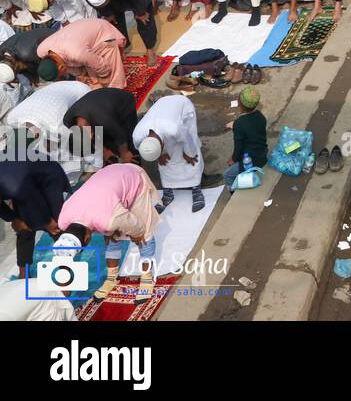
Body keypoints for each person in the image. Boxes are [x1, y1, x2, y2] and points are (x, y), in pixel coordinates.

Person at [56, 162, 161, 303]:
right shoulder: (62, 220)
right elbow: (64, 252)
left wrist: (136, 233)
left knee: (144, 234)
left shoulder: (107, 219)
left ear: (87, 238)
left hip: (131, 177)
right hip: (108, 176)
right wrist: (64, 283)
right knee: (112, 236)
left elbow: (136, 225)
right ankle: (112, 277)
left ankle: (147, 277)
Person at [133, 93, 204, 213]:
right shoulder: (137, 135)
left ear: (161, 144)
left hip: (182, 106)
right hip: (163, 111)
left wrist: (189, 153)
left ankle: (196, 188)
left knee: (191, 153)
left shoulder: (173, 128)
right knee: (166, 161)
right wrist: (159, 156)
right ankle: (168, 193)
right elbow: (143, 148)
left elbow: (188, 138)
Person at [0, 157, 69, 277]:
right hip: (22, 178)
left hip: (47, 176)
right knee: (24, 229)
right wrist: (13, 218)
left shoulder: (13, 186)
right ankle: (24, 275)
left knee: (57, 226)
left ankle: (66, 272)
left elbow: (32, 198)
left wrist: (47, 221)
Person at [224, 86, 267, 190]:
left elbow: (238, 147)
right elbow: (252, 129)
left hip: (250, 161)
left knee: (227, 175)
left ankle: (233, 193)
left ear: (240, 103)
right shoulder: (260, 116)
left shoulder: (240, 123)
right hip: (262, 155)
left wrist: (232, 159)